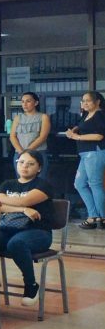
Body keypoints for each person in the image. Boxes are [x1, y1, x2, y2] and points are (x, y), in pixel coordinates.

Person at [0, 152, 55, 305]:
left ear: (39, 168)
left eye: (30, 164)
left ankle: (31, 285)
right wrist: (23, 209)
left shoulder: (43, 185)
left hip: (39, 232)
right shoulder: (7, 184)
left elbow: (25, 200)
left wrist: (11, 203)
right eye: (21, 162)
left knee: (16, 243)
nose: (24, 166)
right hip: (8, 228)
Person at [69, 91, 105, 228]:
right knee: (79, 184)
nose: (84, 103)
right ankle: (93, 215)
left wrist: (76, 137)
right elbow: (83, 127)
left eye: (88, 100)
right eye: (83, 100)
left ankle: (101, 217)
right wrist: (74, 130)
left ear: (98, 102)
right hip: (85, 154)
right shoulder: (86, 115)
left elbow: (99, 136)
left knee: (95, 184)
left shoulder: (100, 114)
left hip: (95, 152)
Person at [9, 92, 50, 179]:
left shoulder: (43, 117)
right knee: (21, 179)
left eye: (28, 101)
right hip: (19, 153)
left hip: (38, 153)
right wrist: (21, 151)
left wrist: (28, 151)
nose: (25, 104)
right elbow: (12, 136)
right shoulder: (17, 118)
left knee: (39, 180)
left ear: (36, 103)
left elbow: (43, 137)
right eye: (23, 101)